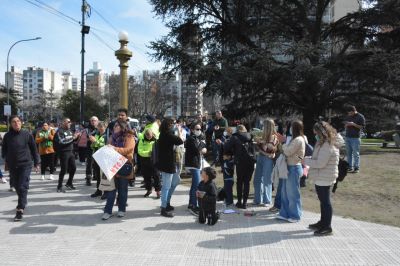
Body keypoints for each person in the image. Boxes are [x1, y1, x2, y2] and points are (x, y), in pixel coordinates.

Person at [305, 121, 344, 236]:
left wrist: (305, 161)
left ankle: (327, 227)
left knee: (325, 201)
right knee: (323, 201)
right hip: (321, 175)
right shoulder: (322, 143)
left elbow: (320, 163)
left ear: (321, 132)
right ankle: (322, 222)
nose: (314, 135)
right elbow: (317, 158)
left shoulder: (328, 145)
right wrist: (309, 158)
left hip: (325, 176)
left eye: (316, 132)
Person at [1, 115, 40, 221]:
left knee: (22, 186)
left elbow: (34, 149)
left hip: (26, 164)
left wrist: (37, 163)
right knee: (17, 186)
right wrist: (5, 157)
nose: (16, 123)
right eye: (14, 122)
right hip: (13, 165)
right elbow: (4, 149)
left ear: (21, 122)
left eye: (18, 121)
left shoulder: (27, 134)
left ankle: (20, 209)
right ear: (10, 124)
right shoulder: (7, 136)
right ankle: (23, 200)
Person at [102, 120, 135, 220]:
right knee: (111, 190)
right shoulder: (112, 137)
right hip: (112, 166)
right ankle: (108, 211)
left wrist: (114, 149)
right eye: (114, 126)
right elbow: (108, 148)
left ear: (123, 127)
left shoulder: (129, 137)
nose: (115, 127)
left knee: (122, 190)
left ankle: (121, 210)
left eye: (117, 126)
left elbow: (128, 149)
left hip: (124, 165)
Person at [276, 120, 305, 222]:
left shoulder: (299, 140)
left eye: (292, 127)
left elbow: (288, 152)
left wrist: (283, 142)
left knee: (293, 194)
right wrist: (283, 143)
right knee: (284, 193)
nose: (290, 129)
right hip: (287, 167)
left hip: (294, 168)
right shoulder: (293, 139)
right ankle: (284, 213)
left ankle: (295, 216)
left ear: (296, 128)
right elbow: (284, 150)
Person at [156, 118, 184, 218]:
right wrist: (179, 131)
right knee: (166, 186)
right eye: (171, 124)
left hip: (170, 163)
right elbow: (180, 141)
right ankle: (163, 208)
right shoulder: (167, 135)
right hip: (167, 164)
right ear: (168, 125)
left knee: (176, 180)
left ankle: (166, 202)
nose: (173, 125)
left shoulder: (164, 134)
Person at [224, 124, 255, 209]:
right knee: (247, 182)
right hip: (250, 161)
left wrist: (232, 150)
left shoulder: (235, 137)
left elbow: (226, 147)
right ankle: (245, 203)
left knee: (240, 181)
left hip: (240, 161)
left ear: (237, 130)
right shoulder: (250, 136)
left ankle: (239, 201)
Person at [253, 119, 279, 206]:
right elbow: (260, 147)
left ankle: (267, 200)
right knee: (257, 179)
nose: (262, 127)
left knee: (267, 180)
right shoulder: (263, 136)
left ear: (268, 126)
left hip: (268, 160)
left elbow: (271, 147)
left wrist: (262, 142)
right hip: (261, 157)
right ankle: (257, 200)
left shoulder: (274, 136)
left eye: (264, 126)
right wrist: (258, 141)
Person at [185, 122, 207, 215]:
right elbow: (197, 149)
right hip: (193, 164)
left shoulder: (197, 138)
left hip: (197, 163)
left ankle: (192, 204)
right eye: (197, 129)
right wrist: (203, 144)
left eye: (200, 129)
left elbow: (202, 149)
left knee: (195, 185)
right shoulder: (191, 138)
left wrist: (203, 147)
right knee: (196, 185)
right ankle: (193, 205)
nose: (199, 131)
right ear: (193, 130)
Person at [54, 118, 80, 192]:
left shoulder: (69, 131)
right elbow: (62, 141)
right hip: (64, 152)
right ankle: (59, 186)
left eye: (70, 122)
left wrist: (77, 137)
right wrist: (73, 137)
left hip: (71, 152)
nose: (70, 123)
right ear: (63, 122)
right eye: (68, 122)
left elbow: (72, 140)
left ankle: (69, 183)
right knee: (64, 170)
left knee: (73, 168)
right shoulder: (59, 131)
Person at [137, 128, 160, 198]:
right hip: (144, 161)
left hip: (154, 161)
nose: (149, 138)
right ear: (145, 135)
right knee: (146, 177)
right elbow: (140, 151)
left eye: (150, 136)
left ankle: (158, 191)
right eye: (147, 136)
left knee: (156, 176)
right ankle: (149, 190)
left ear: (152, 134)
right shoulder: (142, 140)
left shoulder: (156, 140)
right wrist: (149, 153)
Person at [344, 105, 365, 173]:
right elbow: (345, 125)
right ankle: (349, 166)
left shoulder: (360, 117)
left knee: (356, 153)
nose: (349, 114)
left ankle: (356, 167)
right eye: (348, 113)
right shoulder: (348, 116)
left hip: (355, 138)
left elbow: (362, 127)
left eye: (350, 113)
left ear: (354, 111)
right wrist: (346, 125)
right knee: (348, 153)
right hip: (347, 137)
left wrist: (353, 124)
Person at [89, 121, 107, 198]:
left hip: (104, 157)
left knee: (104, 175)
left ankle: (106, 192)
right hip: (97, 155)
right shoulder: (96, 134)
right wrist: (93, 143)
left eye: (101, 127)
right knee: (97, 175)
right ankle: (99, 190)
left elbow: (104, 145)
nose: (100, 129)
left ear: (105, 127)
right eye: (99, 127)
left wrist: (95, 142)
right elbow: (92, 146)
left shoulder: (106, 135)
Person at [221, 127, 235, 206]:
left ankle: (230, 201)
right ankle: (227, 200)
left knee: (229, 187)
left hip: (229, 176)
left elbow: (230, 150)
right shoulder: (225, 139)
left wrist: (228, 157)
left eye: (227, 131)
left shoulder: (231, 139)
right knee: (226, 187)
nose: (225, 132)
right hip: (226, 174)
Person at [85, 116, 99, 186]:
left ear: (98, 121)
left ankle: (96, 175)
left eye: (95, 120)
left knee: (97, 163)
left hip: (98, 148)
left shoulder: (99, 128)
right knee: (89, 163)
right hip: (90, 148)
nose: (93, 122)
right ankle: (88, 178)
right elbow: (89, 136)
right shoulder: (88, 129)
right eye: (92, 121)